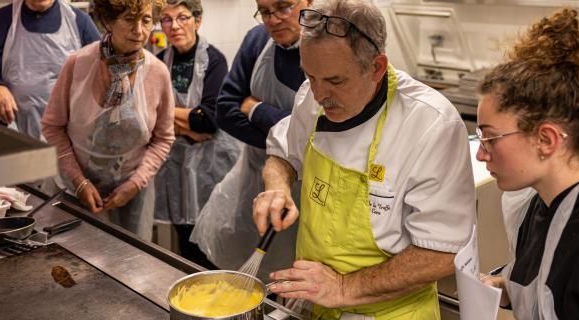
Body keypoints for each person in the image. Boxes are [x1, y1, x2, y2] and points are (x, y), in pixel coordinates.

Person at [253, 0, 476, 318]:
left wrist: (344, 288)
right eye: (310, 76)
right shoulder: (312, 94)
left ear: (377, 67)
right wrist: (277, 187)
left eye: (335, 81)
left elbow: (441, 252)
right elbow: (283, 154)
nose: (318, 94)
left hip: (390, 313)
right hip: (317, 305)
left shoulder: (430, 123)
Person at [476, 8, 579, 319]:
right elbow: (550, 284)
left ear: (547, 140)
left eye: (490, 138)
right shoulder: (537, 205)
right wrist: (504, 288)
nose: (481, 154)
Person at [189, 0, 313, 280]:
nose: (272, 20)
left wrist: (256, 109)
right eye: (265, 11)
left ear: (309, 3)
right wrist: (286, 137)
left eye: (283, 7)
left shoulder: (324, 47)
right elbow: (226, 110)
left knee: (298, 278)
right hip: (253, 181)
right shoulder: (257, 41)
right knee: (247, 277)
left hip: (310, 188)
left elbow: (320, 131)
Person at [41, 0, 175, 241]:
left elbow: (163, 138)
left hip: (132, 194)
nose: (139, 31)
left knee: (131, 266)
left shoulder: (158, 73)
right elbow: (53, 127)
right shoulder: (78, 64)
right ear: (108, 21)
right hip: (73, 188)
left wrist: (136, 183)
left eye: (146, 20)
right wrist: (79, 181)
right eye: (129, 20)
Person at [154, 0, 241, 267]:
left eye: (182, 17)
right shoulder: (158, 62)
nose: (174, 26)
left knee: (211, 242)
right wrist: (186, 119)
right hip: (175, 167)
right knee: (185, 243)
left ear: (197, 20)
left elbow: (208, 121)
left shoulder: (214, 60)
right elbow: (149, 116)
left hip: (209, 166)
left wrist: (166, 114)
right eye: (166, 19)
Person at [0, 0, 99, 139]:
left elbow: (104, 69)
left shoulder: (79, 21)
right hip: (15, 133)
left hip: (70, 137)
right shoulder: (0, 20)